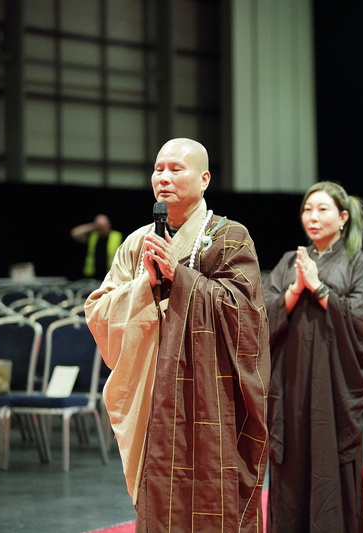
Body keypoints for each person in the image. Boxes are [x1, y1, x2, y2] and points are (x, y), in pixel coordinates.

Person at [84, 138, 270, 532]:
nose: (163, 177)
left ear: (204, 179)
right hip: (152, 392)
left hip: (209, 398)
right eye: (158, 168)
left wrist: (179, 276)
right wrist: (144, 287)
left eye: (176, 169)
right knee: (159, 500)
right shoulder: (137, 243)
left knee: (211, 500)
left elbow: (247, 315)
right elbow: (98, 311)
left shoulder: (229, 237)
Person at [264, 181, 363, 533]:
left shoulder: (357, 262)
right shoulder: (289, 261)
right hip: (290, 382)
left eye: (323, 209)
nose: (313, 217)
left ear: (343, 217)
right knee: (291, 465)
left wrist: (319, 288)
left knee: (330, 464)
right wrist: (295, 289)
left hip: (333, 385)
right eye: (307, 209)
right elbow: (264, 315)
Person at [71, 213, 123, 280]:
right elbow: (74, 233)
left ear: (108, 225)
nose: (102, 228)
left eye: (103, 225)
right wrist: (93, 226)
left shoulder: (117, 236)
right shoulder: (93, 237)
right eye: (99, 226)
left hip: (111, 275)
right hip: (92, 276)